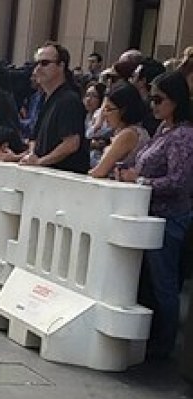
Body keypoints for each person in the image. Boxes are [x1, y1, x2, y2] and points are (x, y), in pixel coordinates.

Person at [117, 71, 193, 359]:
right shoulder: (164, 130)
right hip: (149, 215)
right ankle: (154, 339)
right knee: (150, 282)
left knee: (164, 284)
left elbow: (179, 181)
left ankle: (165, 344)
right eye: (151, 98)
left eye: (159, 99)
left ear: (175, 101)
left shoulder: (183, 136)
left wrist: (140, 181)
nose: (153, 105)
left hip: (168, 219)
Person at [19, 42, 89, 173]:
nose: (38, 69)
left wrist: (40, 162)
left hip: (65, 179)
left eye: (44, 63)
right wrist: (32, 155)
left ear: (61, 66)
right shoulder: (45, 99)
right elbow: (34, 139)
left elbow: (71, 144)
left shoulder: (69, 100)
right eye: (36, 64)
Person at [89, 82, 148, 178]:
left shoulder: (128, 134)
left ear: (123, 110)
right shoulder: (131, 131)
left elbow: (99, 171)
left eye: (108, 109)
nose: (104, 115)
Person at [83, 81, 112, 167]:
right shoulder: (86, 116)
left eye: (94, 96)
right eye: (87, 95)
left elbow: (90, 134)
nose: (89, 99)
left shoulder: (103, 115)